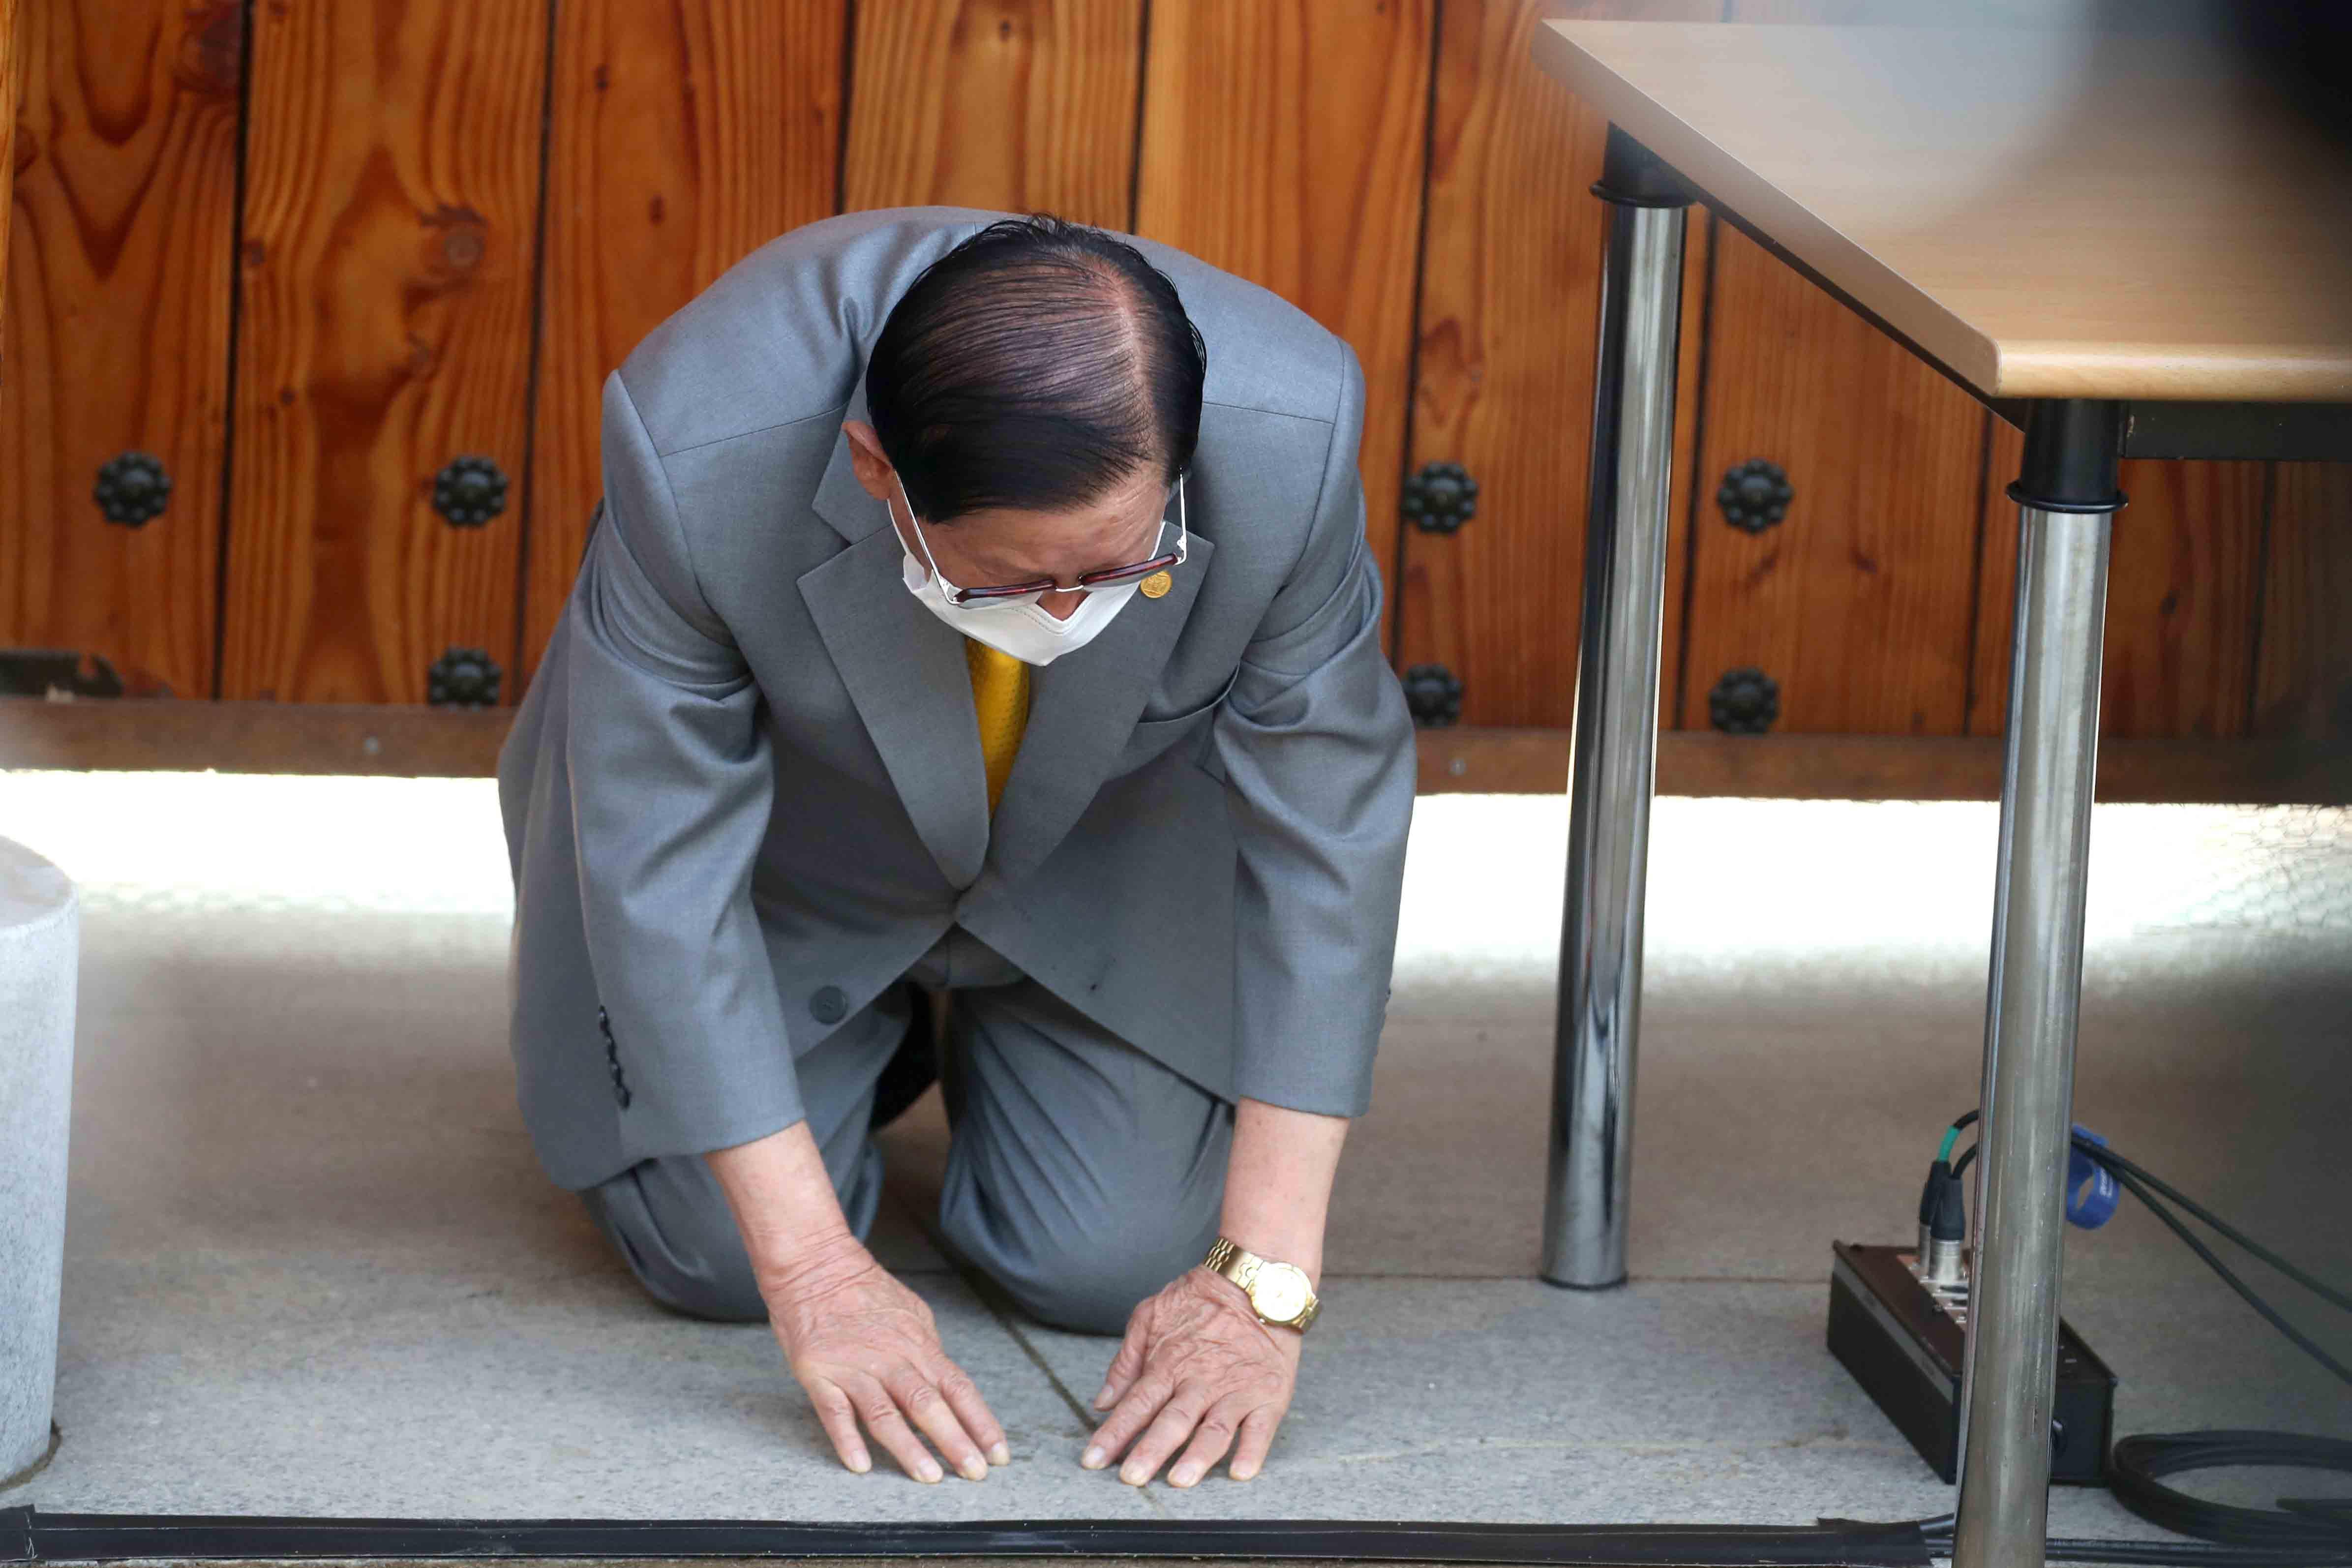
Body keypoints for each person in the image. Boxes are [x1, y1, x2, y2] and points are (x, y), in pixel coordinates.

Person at [497, 207, 1414, 1491]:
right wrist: (816, 1273)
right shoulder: (699, 431)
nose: (1062, 615)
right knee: (716, 1260)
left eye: (1117, 572)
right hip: (795, 860)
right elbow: (657, 851)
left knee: (1105, 1267)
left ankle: (965, 1043)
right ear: (878, 470)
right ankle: (853, 1051)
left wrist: (1263, 1289)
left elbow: (1334, 834)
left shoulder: (1295, 422)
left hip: (1098, 852)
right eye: (1005, 582)